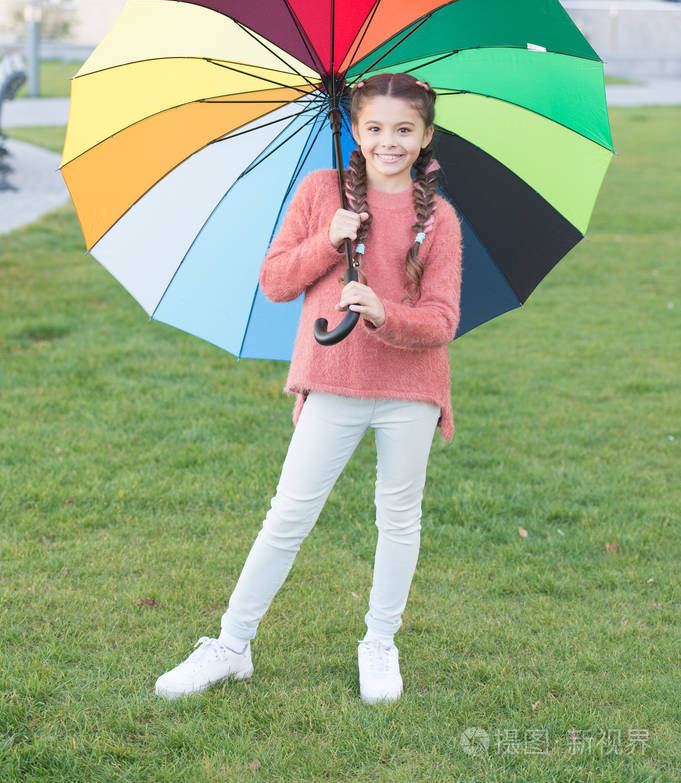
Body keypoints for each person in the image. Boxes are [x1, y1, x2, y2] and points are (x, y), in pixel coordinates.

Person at [154, 72, 463, 705]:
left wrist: (383, 313)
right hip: (333, 380)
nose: (389, 141)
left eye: (404, 130)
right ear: (355, 130)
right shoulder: (322, 193)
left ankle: (379, 642)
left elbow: (441, 320)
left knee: (399, 518)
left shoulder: (442, 221)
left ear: (426, 136)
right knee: (289, 514)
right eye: (375, 128)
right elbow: (274, 281)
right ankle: (231, 645)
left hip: (410, 390)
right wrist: (328, 242)